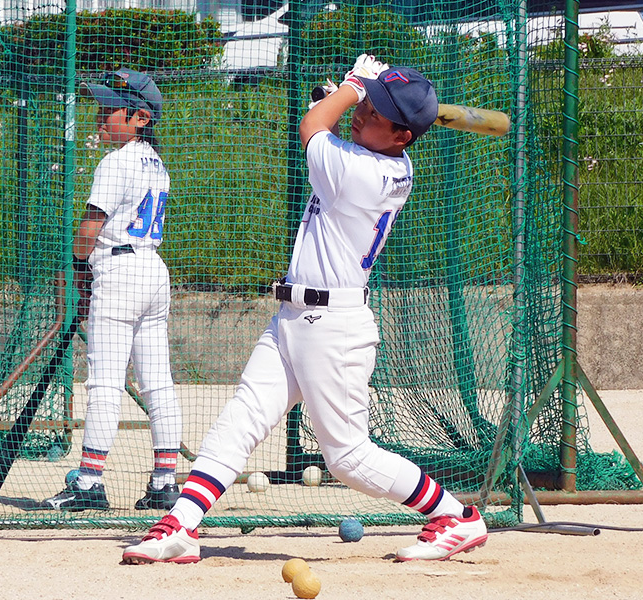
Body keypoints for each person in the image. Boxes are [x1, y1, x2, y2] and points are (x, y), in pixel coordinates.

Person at [120, 55, 488, 563]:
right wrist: (350, 95)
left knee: (347, 458)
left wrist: (354, 87)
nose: (363, 115)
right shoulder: (362, 154)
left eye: (376, 114)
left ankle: (456, 517)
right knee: (240, 418)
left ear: (402, 137)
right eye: (367, 107)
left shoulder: (366, 173)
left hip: (333, 329)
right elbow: (328, 118)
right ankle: (180, 526)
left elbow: (314, 123)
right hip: (293, 318)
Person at [43, 68, 182, 512]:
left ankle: (88, 483)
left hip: (119, 272)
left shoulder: (115, 161)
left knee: (103, 384)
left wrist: (74, 270)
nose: (100, 118)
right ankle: (164, 482)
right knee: (157, 384)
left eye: (110, 110)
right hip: (152, 271)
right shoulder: (155, 161)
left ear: (141, 117)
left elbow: (89, 231)